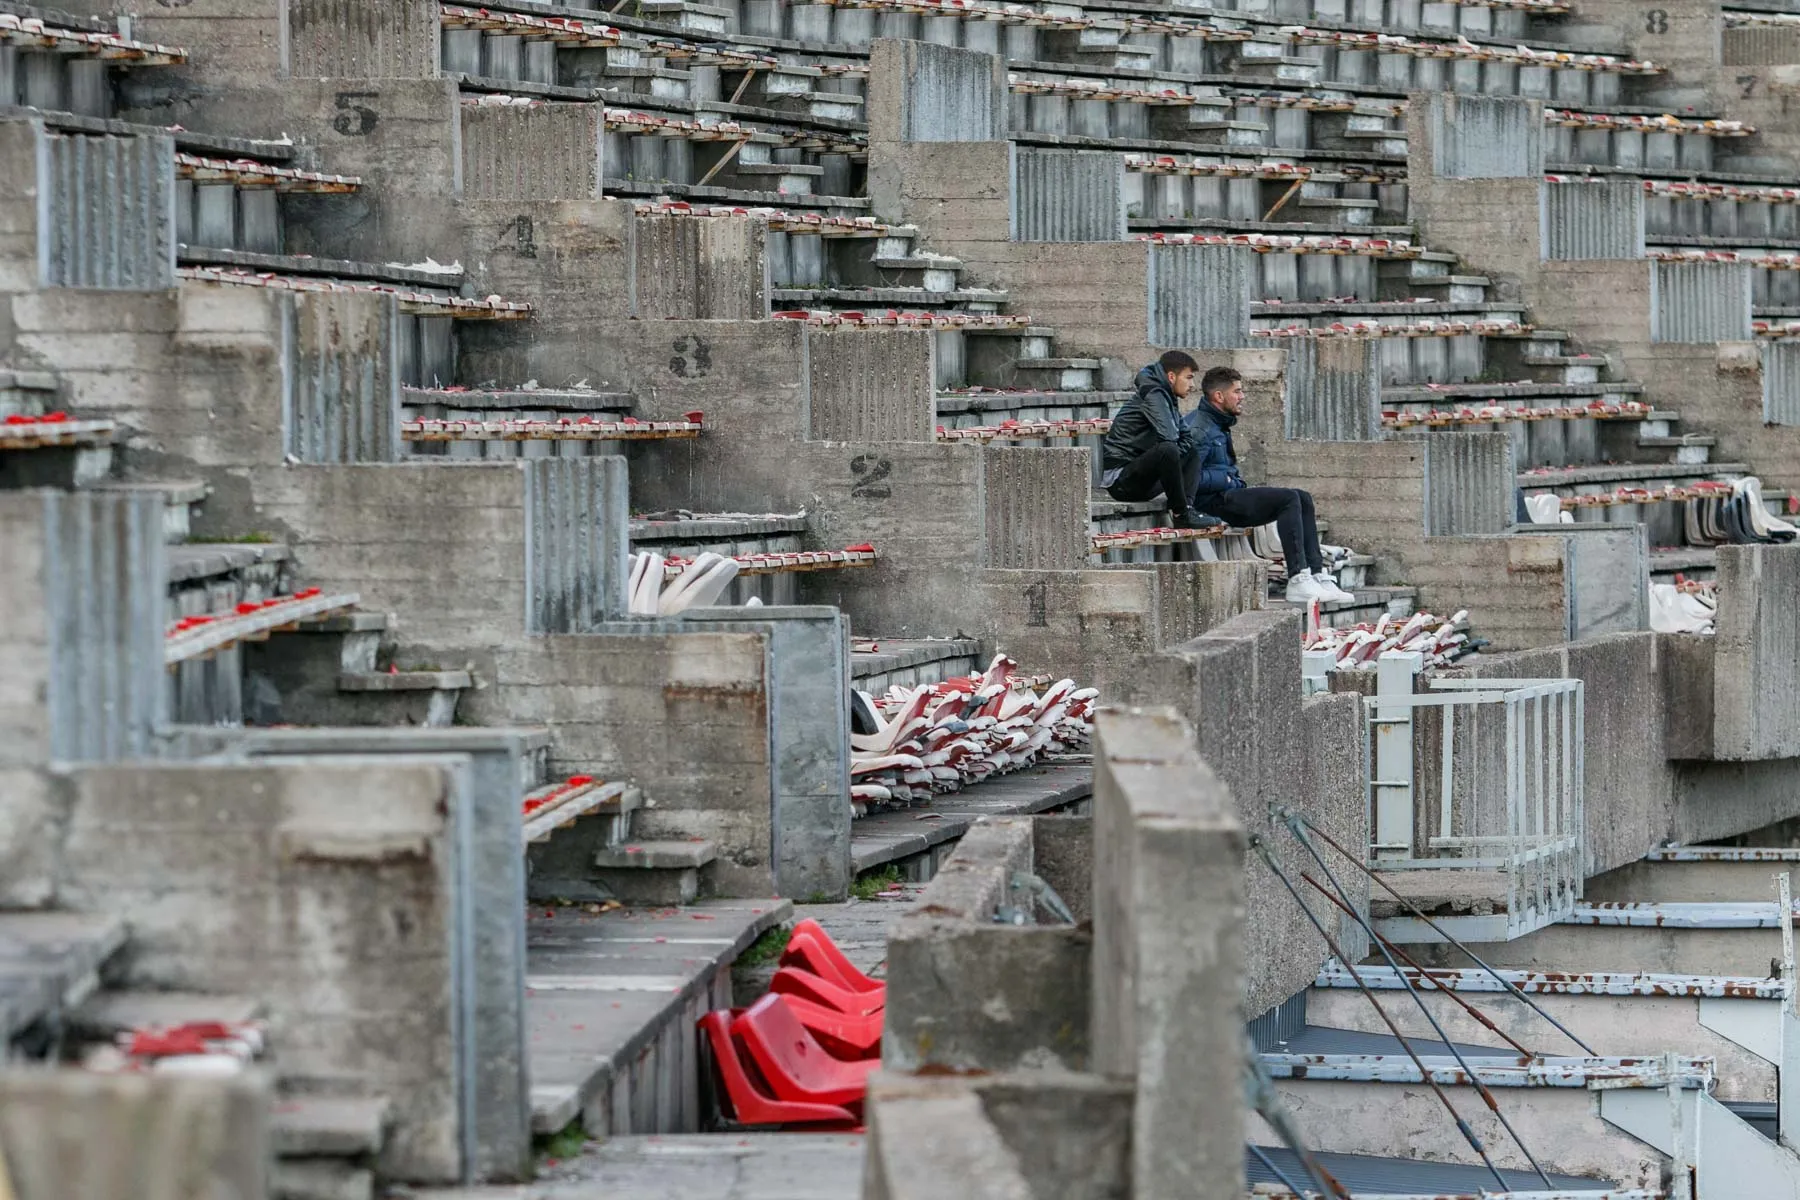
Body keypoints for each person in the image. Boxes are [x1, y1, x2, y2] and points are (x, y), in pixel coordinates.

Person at [1182, 365, 1354, 604]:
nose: (1242, 397)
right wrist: (1228, 479)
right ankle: (1297, 579)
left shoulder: (1217, 422)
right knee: (1287, 499)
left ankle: (1316, 573)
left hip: (1226, 495)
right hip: (1210, 504)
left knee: (1301, 496)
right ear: (1218, 396)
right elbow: (1186, 479)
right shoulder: (1199, 428)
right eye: (1237, 391)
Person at [1100, 350, 1209, 529]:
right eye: (1188, 378)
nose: (1192, 384)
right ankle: (1181, 513)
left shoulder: (1167, 397)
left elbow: (1186, 438)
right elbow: (1170, 438)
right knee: (1168, 450)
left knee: (1190, 452)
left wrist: (1172, 460)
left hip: (1144, 478)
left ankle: (1187, 508)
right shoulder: (1153, 394)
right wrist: (1171, 460)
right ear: (1172, 376)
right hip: (1121, 482)